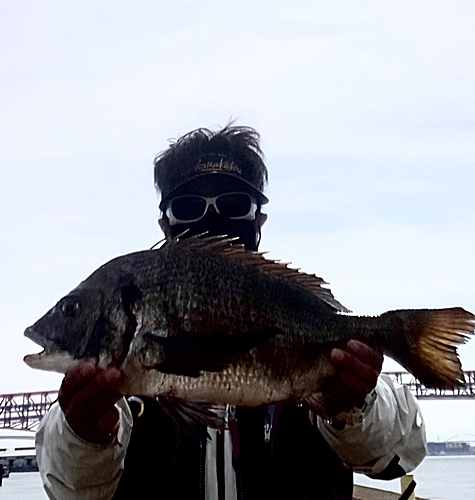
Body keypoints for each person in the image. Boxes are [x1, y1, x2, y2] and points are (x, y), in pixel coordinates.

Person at [36, 125, 426, 500]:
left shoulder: (305, 309)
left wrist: (357, 403)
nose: (213, 217)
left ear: (259, 219)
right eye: (189, 206)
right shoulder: (118, 364)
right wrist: (82, 434)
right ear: (164, 222)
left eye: (234, 204)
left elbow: (402, 451)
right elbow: (70, 489)